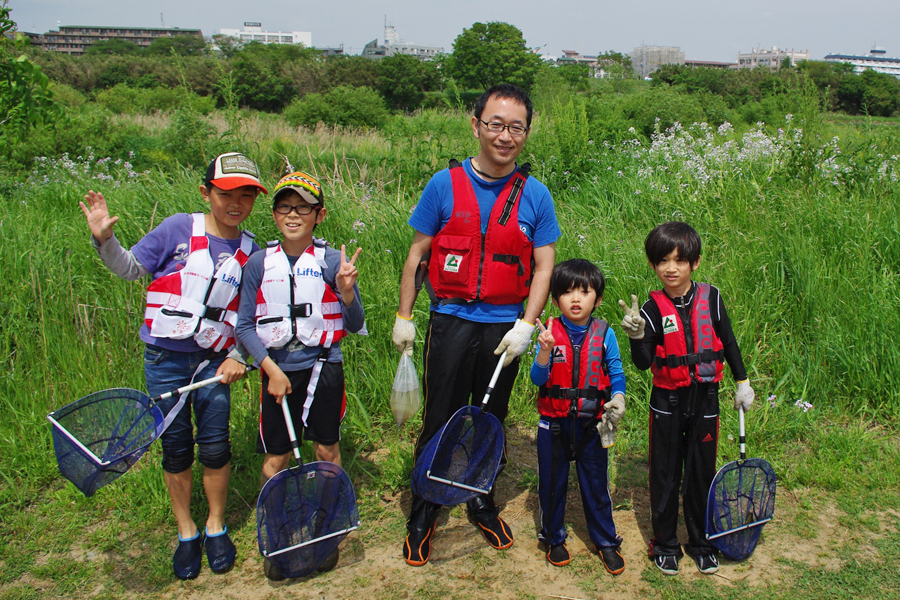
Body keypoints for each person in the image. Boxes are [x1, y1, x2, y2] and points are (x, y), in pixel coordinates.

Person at [392, 83, 560, 566]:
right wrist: (405, 317)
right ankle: (424, 510)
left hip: (504, 328)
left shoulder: (536, 196)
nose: (505, 136)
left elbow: (545, 267)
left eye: (516, 127)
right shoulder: (443, 185)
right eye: (495, 125)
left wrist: (527, 324)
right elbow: (417, 255)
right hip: (451, 320)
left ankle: (481, 497)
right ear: (476, 125)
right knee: (441, 416)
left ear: (526, 132)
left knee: (491, 416)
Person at [79, 152, 267, 580]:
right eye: (225, 194)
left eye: (246, 195)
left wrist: (240, 358)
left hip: (213, 365)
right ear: (206, 193)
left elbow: (251, 321)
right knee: (176, 445)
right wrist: (104, 240)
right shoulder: (178, 228)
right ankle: (187, 532)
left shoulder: (252, 251)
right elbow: (130, 269)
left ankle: (216, 526)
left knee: (216, 443)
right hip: (164, 359)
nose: (235, 203)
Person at [235, 170, 365, 579]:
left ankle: (327, 530)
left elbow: (355, 319)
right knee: (276, 457)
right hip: (277, 371)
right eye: (285, 207)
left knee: (326, 448)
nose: (294, 215)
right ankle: (279, 532)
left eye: (303, 208)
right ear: (274, 215)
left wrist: (346, 290)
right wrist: (269, 367)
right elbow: (242, 328)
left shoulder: (330, 261)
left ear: (319, 215)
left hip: (324, 366)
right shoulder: (258, 263)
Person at [619, 221, 755, 576]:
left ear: (694, 262)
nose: (671, 268)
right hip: (667, 400)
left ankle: (701, 542)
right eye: (663, 260)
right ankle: (664, 543)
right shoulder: (650, 308)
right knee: (665, 474)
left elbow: (729, 341)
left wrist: (743, 381)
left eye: (680, 260)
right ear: (653, 265)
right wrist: (636, 336)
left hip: (706, 398)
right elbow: (643, 363)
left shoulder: (713, 297)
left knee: (701, 471)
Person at [531, 259, 626, 573]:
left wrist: (618, 396)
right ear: (556, 297)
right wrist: (544, 351)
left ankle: (605, 541)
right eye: (568, 292)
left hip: (591, 425)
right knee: (552, 484)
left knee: (596, 484)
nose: (575, 299)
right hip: (553, 425)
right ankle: (554, 537)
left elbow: (616, 371)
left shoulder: (605, 333)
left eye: (584, 292)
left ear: (597, 299)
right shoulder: (549, 332)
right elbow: (537, 378)